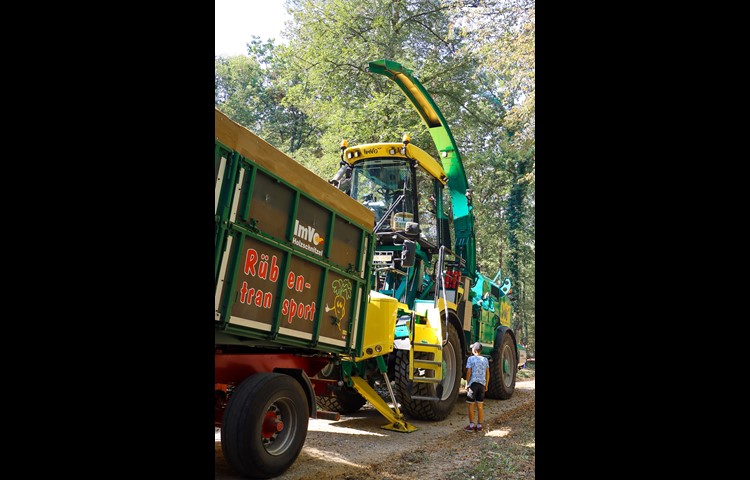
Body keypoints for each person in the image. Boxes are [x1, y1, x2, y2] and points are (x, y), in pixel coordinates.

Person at [464, 342, 490, 432]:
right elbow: (487, 373)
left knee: (470, 405)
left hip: (473, 384)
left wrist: (467, 383)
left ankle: (471, 425)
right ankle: (479, 426)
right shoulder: (485, 360)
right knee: (480, 405)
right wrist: (486, 384)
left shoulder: (471, 359)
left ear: (474, 350)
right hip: (482, 385)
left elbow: (469, 372)